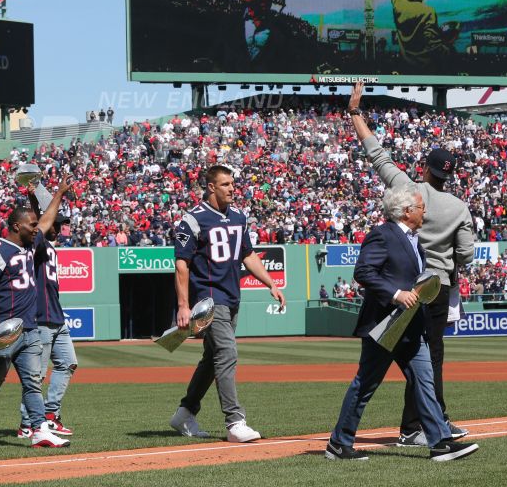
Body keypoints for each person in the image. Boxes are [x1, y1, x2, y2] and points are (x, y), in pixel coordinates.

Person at [347, 81, 474, 445]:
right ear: (451, 174)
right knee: (429, 358)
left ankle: (422, 424)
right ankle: (418, 426)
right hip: (439, 286)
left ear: (426, 168)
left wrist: (356, 113)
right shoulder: (458, 207)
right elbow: (465, 255)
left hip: (405, 284)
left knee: (405, 358)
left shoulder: (408, 189)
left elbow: (378, 155)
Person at [324, 188, 479, 462]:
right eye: (421, 207)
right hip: (385, 325)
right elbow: (363, 272)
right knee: (365, 385)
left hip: (410, 324)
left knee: (425, 382)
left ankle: (440, 442)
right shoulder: (382, 234)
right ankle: (339, 443)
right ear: (407, 211)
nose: (425, 212)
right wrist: (397, 294)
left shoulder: (414, 240)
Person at [169, 164, 286, 443]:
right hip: (209, 300)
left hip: (232, 297)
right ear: (211, 187)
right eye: (226, 184)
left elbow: (248, 255)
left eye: (233, 184)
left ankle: (185, 413)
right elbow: (182, 265)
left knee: (212, 359)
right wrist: (184, 306)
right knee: (227, 353)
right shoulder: (192, 220)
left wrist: (270, 283)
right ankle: (235, 421)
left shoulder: (238, 217)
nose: (232, 189)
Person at [0, 204, 70, 450]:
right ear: (17, 226)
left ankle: (39, 430)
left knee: (32, 381)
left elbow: (46, 221)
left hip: (29, 328)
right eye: (31, 225)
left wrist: (59, 194)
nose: (36, 229)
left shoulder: (29, 244)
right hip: (5, 331)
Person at [18, 181, 78, 440]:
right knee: (36, 375)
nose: (59, 226)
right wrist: (57, 194)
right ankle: (27, 424)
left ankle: (50, 415)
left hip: (57, 318)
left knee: (68, 363)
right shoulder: (36, 245)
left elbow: (43, 219)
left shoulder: (48, 246)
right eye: (57, 222)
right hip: (40, 318)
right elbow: (42, 221)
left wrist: (33, 196)